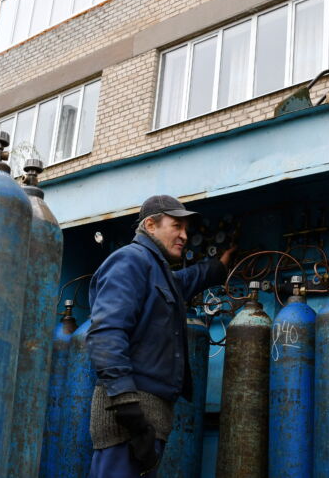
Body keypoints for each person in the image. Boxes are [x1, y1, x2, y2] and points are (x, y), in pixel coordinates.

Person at [86, 195, 234, 477]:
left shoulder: (158, 271)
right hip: (127, 423)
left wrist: (219, 267)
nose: (184, 235)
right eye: (177, 226)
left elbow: (187, 280)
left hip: (146, 421)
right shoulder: (129, 261)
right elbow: (106, 333)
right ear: (151, 225)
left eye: (186, 230)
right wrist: (130, 412)